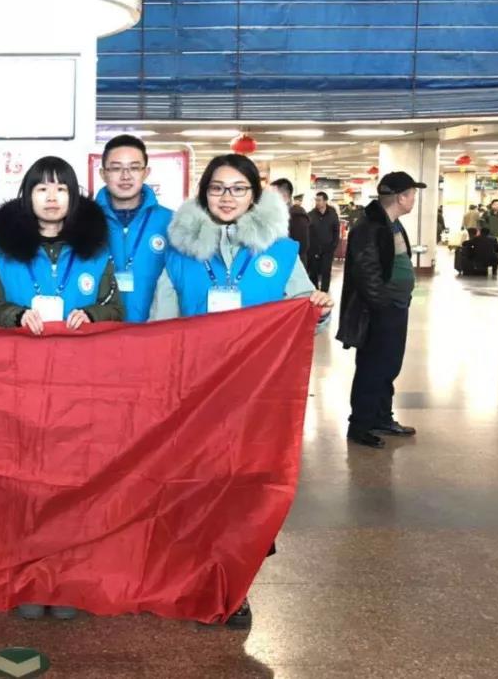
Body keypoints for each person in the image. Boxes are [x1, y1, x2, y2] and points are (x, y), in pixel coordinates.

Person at [149, 154, 333, 630]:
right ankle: (194, 575)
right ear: (203, 194)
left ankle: (237, 584)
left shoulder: (281, 252)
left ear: (254, 195)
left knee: (247, 490)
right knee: (198, 486)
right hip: (197, 395)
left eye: (237, 189)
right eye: (217, 188)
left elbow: (303, 314)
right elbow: (161, 327)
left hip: (257, 396)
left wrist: (318, 308)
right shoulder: (181, 254)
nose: (226, 197)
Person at [0, 155, 122, 620]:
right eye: (42, 188)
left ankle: (66, 580)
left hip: (78, 387)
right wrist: (15, 315)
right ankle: (28, 579)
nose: (52, 197)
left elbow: (115, 307)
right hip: (20, 386)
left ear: (74, 197)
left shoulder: (95, 252)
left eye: (61, 189)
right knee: (24, 485)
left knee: (73, 484)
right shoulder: (6, 252)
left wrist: (93, 315)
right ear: (28, 197)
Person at [337, 171, 425, 449]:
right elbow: (366, 273)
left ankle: (381, 417)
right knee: (372, 368)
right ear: (400, 197)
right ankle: (360, 425)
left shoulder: (392, 224)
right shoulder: (369, 227)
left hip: (395, 307)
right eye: (412, 194)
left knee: (388, 366)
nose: (414, 199)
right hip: (379, 311)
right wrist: (382, 307)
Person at [94, 134, 174, 322]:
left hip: (155, 330)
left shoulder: (172, 222)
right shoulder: (83, 222)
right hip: (100, 331)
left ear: (146, 172)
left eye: (134, 168)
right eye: (116, 168)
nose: (125, 176)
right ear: (103, 174)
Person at [306, 191, 339, 292]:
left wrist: (334, 245)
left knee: (326, 271)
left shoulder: (332, 214)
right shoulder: (310, 215)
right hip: (314, 249)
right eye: (316, 200)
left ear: (325, 201)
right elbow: (307, 232)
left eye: (319, 200)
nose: (317, 202)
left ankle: (325, 291)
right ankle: (315, 291)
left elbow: (336, 231)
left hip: (328, 249)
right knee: (313, 272)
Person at [271, 178, 309, 262]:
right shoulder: (278, 216)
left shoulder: (297, 217)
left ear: (285, 197)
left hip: (291, 264)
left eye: (272, 196)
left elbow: (301, 247)